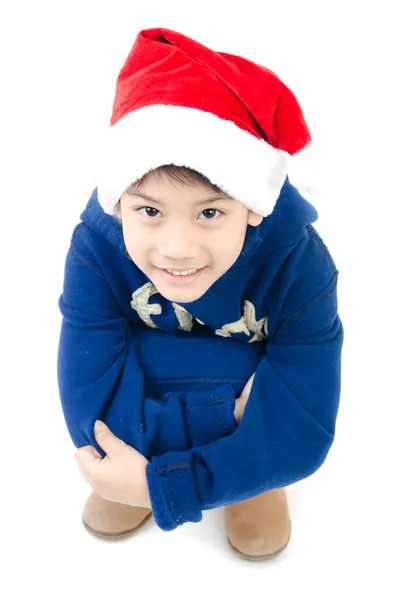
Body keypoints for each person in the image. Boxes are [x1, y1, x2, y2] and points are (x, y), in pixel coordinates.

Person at [57, 27, 344, 561]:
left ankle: (251, 481)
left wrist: (163, 488)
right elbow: (86, 388)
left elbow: (303, 418)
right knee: (137, 368)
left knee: (264, 419)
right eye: (150, 211)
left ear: (254, 207)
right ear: (120, 203)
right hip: (219, 417)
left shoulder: (302, 267)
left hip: (234, 427)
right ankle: (149, 463)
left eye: (210, 213)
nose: (176, 248)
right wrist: (225, 416)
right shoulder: (95, 247)